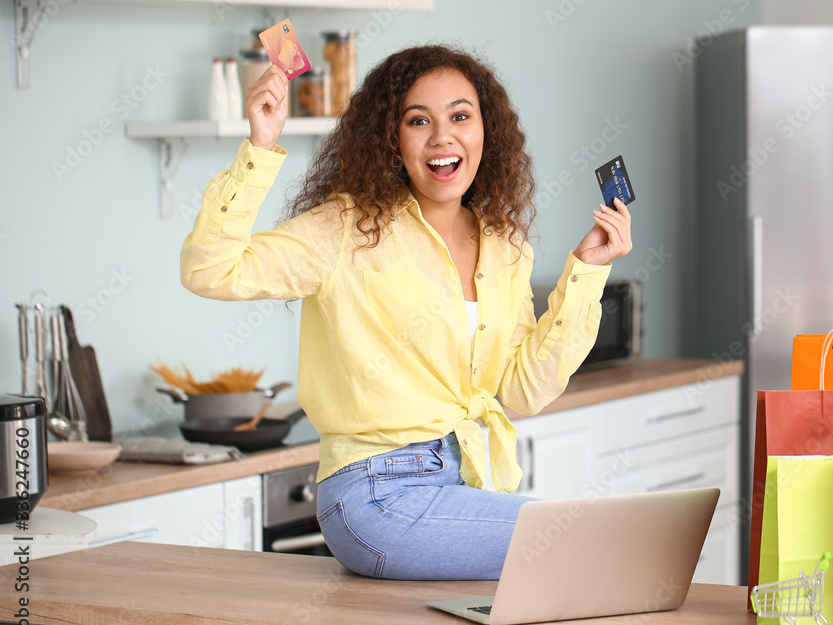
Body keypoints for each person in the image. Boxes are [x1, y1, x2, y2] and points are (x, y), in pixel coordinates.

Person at [180, 44, 632, 580]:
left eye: (460, 116)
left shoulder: (504, 244)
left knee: (575, 560)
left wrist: (585, 271)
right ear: (391, 141)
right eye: (418, 121)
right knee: (584, 542)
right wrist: (260, 146)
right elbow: (209, 270)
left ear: (486, 130)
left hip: (462, 479)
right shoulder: (345, 229)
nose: (443, 137)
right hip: (372, 494)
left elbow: (521, 392)